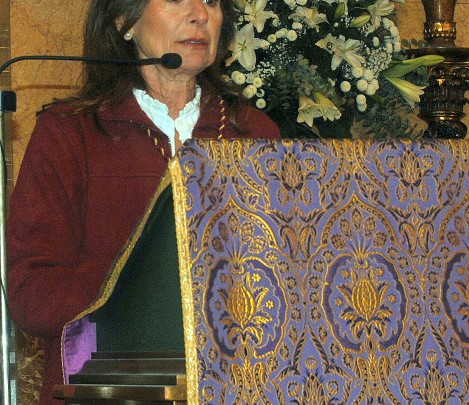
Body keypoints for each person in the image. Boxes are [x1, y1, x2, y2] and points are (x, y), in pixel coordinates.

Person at [7, 0, 280, 403]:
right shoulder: (70, 132)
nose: (200, 14)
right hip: (106, 389)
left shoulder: (254, 132)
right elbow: (32, 292)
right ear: (124, 21)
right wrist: (139, 294)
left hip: (235, 386)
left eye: (211, 1)